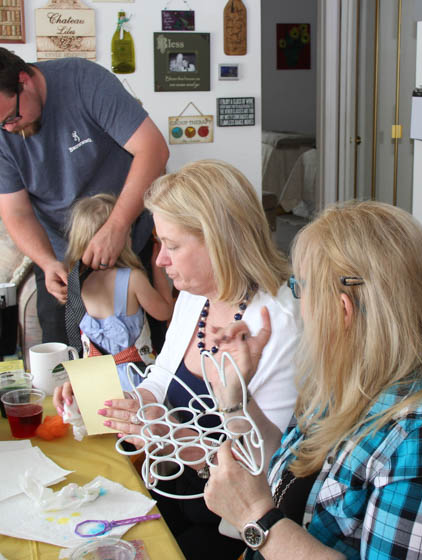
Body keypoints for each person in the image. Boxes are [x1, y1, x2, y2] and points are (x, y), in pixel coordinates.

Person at [200, 200, 422, 559]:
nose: (299, 304)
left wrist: (255, 518)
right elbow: (290, 473)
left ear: (342, 309)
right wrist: (235, 399)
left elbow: (268, 513)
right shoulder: (350, 383)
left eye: (300, 288)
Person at [54, 160, 300, 560]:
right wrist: (120, 400)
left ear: (220, 240)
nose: (162, 262)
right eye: (159, 244)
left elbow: (266, 464)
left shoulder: (279, 322)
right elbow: (159, 379)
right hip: (171, 491)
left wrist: (171, 438)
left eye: (173, 245)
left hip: (233, 528)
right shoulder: (195, 295)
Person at [0, 45, 169, 344]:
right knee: (66, 355)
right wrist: (46, 262)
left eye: (12, 116)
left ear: (23, 81)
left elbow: (153, 149)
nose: (9, 128)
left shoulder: (84, 81)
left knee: (151, 346)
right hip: (61, 255)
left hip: (128, 241)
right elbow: (16, 212)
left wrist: (117, 227)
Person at [63, 193, 175, 390]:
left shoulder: (76, 284)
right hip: (134, 380)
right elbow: (164, 312)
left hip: (92, 383)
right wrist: (157, 268)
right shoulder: (133, 278)